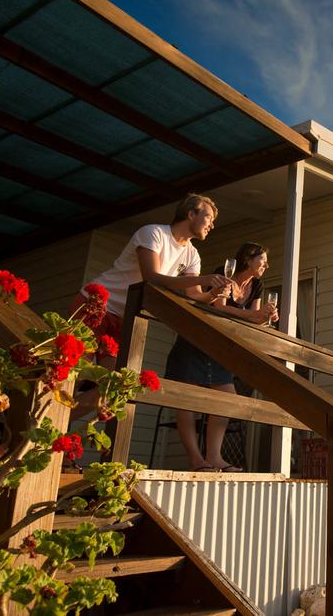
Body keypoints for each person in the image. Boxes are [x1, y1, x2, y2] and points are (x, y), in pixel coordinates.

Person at [70, 194, 228, 421]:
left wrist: (212, 293)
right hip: (95, 306)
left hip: (123, 319)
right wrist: (204, 279)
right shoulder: (153, 233)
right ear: (191, 214)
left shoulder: (192, 254)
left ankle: (62, 423)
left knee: (120, 381)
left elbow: (194, 295)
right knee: (71, 374)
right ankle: (45, 420)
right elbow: (152, 277)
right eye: (209, 217)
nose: (212, 225)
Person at [165, 242, 277, 472]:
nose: (267, 264)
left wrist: (265, 316)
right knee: (186, 399)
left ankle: (214, 457)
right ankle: (196, 459)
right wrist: (252, 314)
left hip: (220, 347)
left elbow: (251, 319)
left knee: (228, 399)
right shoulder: (223, 272)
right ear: (247, 259)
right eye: (263, 260)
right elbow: (218, 306)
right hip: (195, 340)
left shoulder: (256, 285)